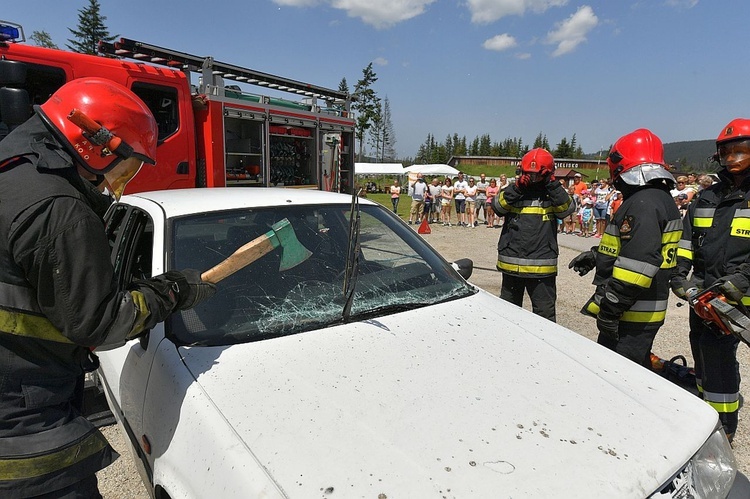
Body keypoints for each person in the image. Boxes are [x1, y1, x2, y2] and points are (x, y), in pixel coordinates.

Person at [0, 78, 216, 497]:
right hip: (22, 420)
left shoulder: (13, 168)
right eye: (126, 165)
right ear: (97, 146)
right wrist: (171, 291)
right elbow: (98, 323)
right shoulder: (60, 210)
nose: (120, 180)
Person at [569, 128, 681, 370]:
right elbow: (638, 247)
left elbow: (639, 264)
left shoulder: (642, 202)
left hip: (631, 312)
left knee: (620, 377)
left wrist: (610, 309)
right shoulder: (657, 198)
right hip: (642, 308)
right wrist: (598, 256)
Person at [670, 118, 750, 444]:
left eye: (740, 151)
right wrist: (679, 277)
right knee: (700, 349)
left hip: (736, 297)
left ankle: (723, 426)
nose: (733, 158)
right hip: (702, 293)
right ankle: (704, 407)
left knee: (718, 355)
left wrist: (739, 282)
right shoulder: (707, 197)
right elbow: (687, 242)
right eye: (727, 151)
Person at [491, 148, 574, 322]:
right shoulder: (514, 191)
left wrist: (552, 184)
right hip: (512, 265)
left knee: (544, 318)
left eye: (538, 175)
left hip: (541, 268)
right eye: (529, 174)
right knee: (508, 318)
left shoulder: (552, 194)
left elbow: (566, 209)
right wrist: (517, 187)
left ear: (548, 174)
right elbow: (498, 207)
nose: (533, 178)